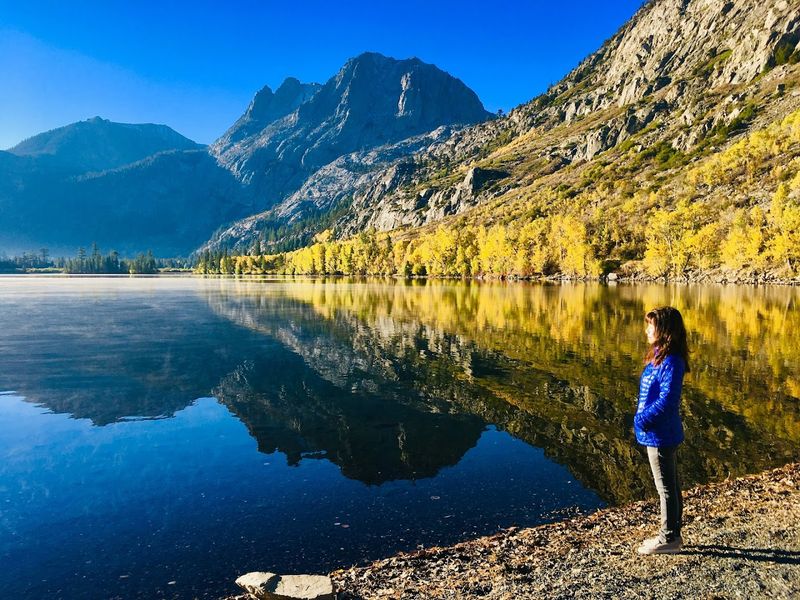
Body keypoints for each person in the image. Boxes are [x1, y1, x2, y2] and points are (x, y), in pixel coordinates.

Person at [634, 306, 689, 555]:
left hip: (660, 434)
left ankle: (668, 539)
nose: (647, 329)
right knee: (671, 485)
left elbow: (668, 402)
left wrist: (642, 420)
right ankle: (673, 535)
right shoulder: (661, 357)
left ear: (665, 330)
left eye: (651, 325)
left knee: (665, 488)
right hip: (660, 431)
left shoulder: (672, 362)